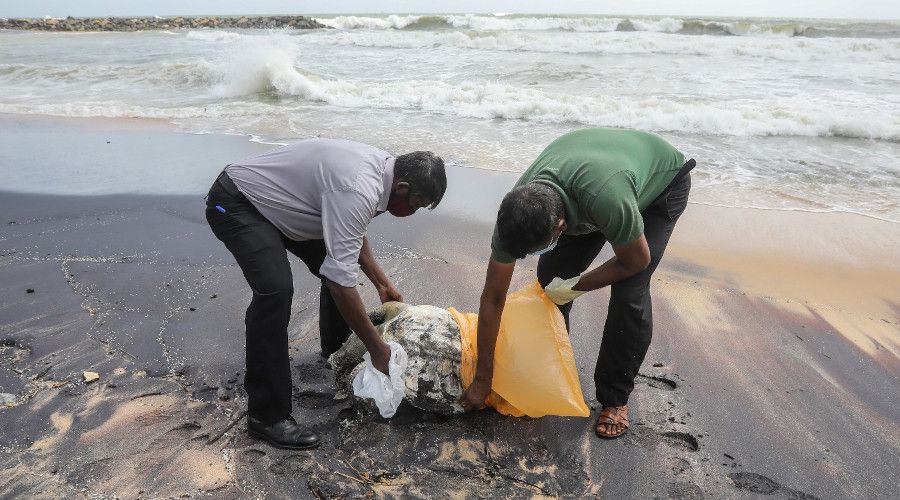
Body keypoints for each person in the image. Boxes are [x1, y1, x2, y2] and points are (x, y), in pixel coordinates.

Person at [206, 138, 446, 449]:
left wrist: (381, 282)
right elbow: (340, 280)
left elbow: (351, 230)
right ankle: (267, 416)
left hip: (289, 208)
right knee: (275, 291)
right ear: (401, 187)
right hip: (240, 203)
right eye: (415, 204)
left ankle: (334, 350)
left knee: (334, 265)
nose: (413, 212)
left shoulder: (382, 171)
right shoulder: (359, 187)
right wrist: (378, 350)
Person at [460, 128, 693, 439]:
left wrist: (576, 285)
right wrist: (482, 378)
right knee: (549, 280)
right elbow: (492, 298)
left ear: (561, 226)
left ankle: (615, 397)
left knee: (629, 291)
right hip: (598, 185)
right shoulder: (516, 214)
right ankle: (555, 362)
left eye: (539, 246)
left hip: (659, 186)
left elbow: (636, 259)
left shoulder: (606, 199)